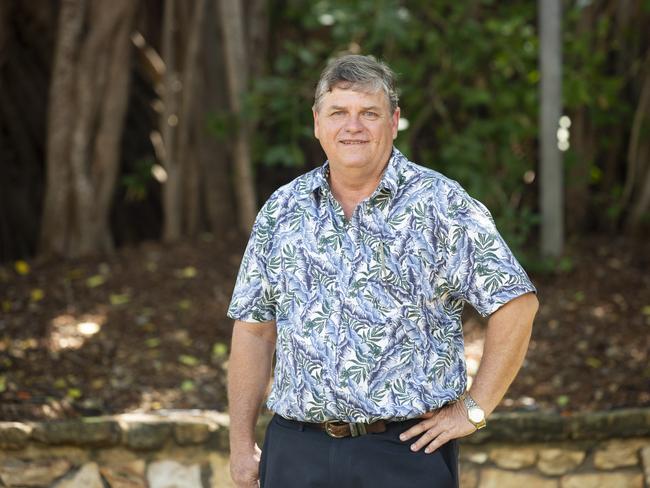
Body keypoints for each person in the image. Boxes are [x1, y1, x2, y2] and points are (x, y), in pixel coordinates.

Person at [226, 54, 538, 488]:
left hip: (403, 454)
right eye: (339, 112)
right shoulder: (283, 210)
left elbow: (516, 303)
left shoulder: (441, 204)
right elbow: (254, 330)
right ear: (317, 123)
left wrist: (474, 408)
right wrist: (240, 443)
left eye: (368, 113)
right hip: (296, 451)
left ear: (393, 122)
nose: (353, 126)